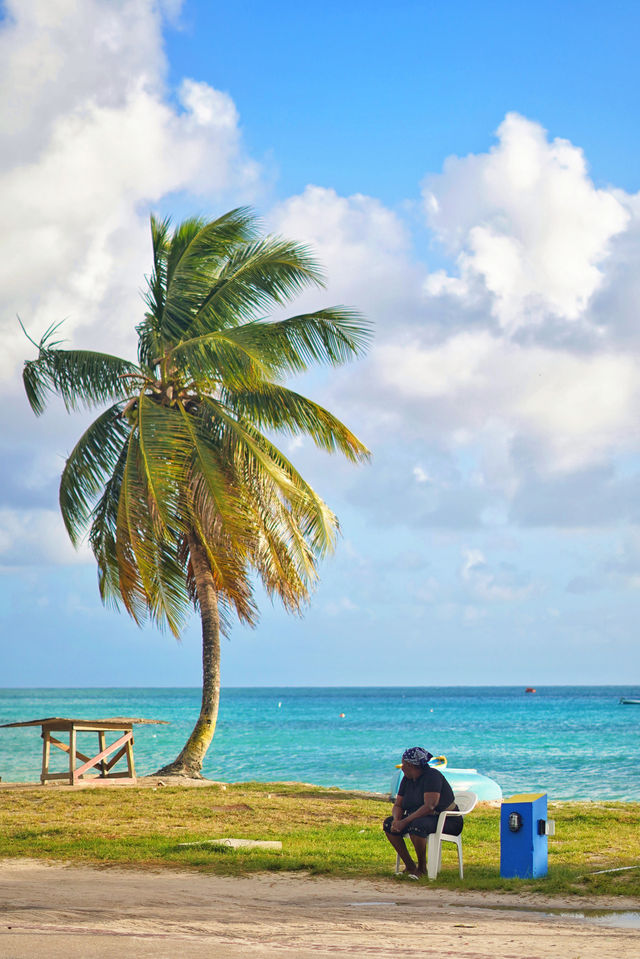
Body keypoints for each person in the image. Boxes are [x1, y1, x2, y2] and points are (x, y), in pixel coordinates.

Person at [382, 746, 462, 878]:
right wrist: (397, 820)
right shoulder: (407, 779)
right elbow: (398, 805)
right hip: (419, 817)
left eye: (403, 764)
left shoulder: (432, 776)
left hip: (447, 820)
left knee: (417, 826)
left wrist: (405, 821)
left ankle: (422, 868)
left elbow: (430, 806)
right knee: (388, 824)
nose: (401, 767)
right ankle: (410, 866)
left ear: (411, 765)